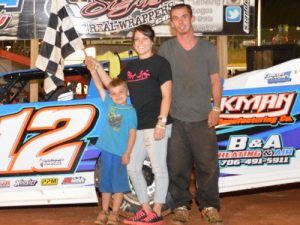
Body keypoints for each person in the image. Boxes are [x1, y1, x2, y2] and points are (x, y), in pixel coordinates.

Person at [85, 24, 172, 225]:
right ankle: (145, 208)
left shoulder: (161, 64)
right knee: (132, 168)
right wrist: (96, 66)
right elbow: (112, 85)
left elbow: (167, 95)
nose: (140, 43)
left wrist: (162, 121)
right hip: (139, 124)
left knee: (159, 168)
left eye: (144, 39)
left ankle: (157, 210)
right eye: (136, 39)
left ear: (152, 41)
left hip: (156, 123)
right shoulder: (131, 67)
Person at [158, 3, 223, 224]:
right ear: (172, 23)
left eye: (184, 16)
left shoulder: (207, 49)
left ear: (192, 19)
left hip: (203, 119)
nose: (181, 21)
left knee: (208, 167)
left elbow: (215, 80)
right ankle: (180, 207)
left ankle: (210, 206)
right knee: (177, 167)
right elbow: (159, 82)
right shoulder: (166, 49)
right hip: (175, 119)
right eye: (176, 18)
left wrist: (216, 107)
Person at [91, 75, 137, 225]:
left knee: (118, 185)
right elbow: (99, 87)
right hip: (107, 152)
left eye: (121, 92)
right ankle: (104, 211)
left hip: (120, 154)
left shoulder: (131, 111)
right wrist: (93, 71)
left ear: (127, 93)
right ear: (110, 95)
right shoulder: (109, 104)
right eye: (114, 93)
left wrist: (128, 153)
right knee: (105, 183)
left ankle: (115, 213)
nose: (117, 96)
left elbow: (132, 133)